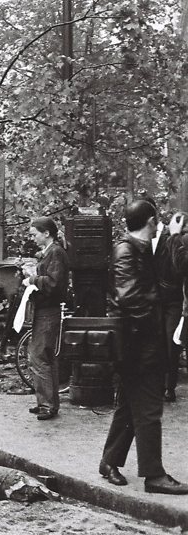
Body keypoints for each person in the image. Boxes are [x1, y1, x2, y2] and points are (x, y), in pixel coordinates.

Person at [99, 200, 188, 494]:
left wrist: (173, 238)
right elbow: (130, 299)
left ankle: (109, 461)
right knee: (149, 411)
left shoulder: (138, 250)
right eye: (157, 224)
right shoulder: (126, 251)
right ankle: (154, 475)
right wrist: (158, 310)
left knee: (128, 406)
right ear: (150, 222)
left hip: (136, 344)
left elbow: (168, 276)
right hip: (137, 347)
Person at [22, 217, 69, 420]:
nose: (33, 238)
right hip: (46, 310)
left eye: (35, 234)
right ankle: (47, 402)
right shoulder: (50, 252)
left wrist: (32, 279)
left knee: (39, 356)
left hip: (48, 311)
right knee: (47, 357)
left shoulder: (56, 252)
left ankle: (47, 405)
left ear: (46, 233)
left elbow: (53, 284)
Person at [156, 211, 188, 402]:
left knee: (171, 341)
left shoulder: (178, 240)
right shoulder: (163, 239)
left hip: (176, 300)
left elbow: (182, 266)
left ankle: (169, 386)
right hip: (162, 297)